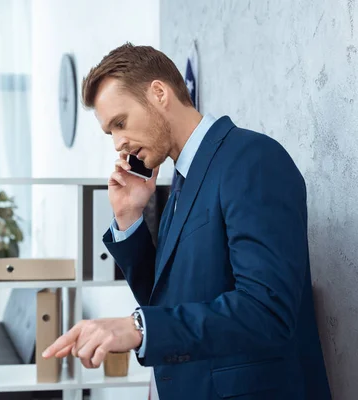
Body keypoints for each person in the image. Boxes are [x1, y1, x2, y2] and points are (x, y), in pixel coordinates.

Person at [42, 43, 331, 400]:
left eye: (120, 123)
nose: (118, 143)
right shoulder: (182, 182)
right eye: (110, 132)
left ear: (159, 93)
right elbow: (169, 300)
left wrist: (138, 328)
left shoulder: (251, 159)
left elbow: (267, 310)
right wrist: (129, 218)